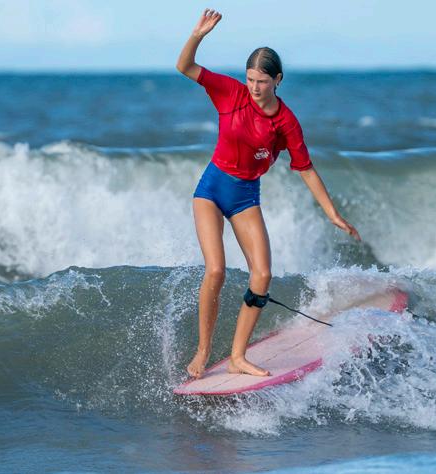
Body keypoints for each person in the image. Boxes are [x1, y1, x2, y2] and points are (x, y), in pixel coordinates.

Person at [177, 9, 361, 379]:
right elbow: (185, 67)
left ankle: (238, 356)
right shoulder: (230, 92)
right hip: (211, 188)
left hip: (245, 195)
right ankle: (203, 351)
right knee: (216, 269)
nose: (254, 87)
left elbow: (305, 168)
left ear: (277, 80)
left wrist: (331, 212)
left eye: (262, 81)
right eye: (250, 79)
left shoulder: (286, 122)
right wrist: (197, 35)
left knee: (262, 275)